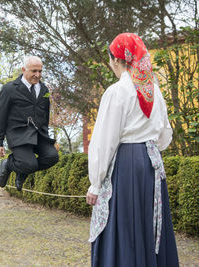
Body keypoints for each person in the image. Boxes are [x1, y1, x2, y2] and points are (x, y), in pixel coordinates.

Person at [86, 33, 179, 266]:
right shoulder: (154, 91)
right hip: (151, 163)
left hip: (127, 163)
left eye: (110, 60)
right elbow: (165, 135)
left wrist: (96, 184)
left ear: (116, 60)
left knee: (125, 224)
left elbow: (104, 141)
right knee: (148, 223)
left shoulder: (117, 92)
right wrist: (149, 148)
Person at [0, 56, 59, 191]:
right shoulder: (9, 89)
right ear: (23, 70)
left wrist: (46, 135)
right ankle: (8, 164)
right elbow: (0, 116)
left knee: (52, 157)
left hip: (39, 134)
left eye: (40, 71)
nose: (38, 75)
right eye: (34, 71)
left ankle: (22, 171)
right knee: (29, 164)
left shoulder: (44, 89)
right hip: (19, 135)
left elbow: (45, 114)